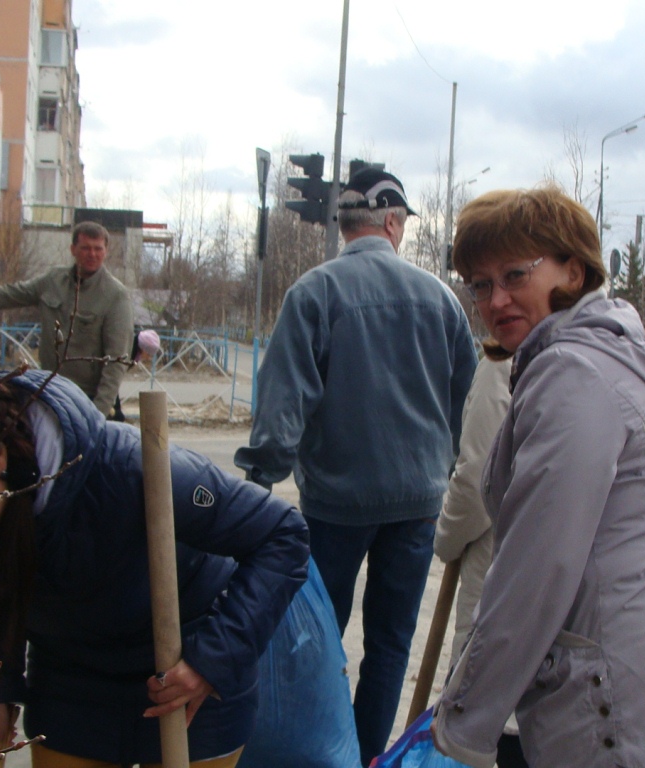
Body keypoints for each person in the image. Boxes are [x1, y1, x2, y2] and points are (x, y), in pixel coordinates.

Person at [431, 186, 645, 768]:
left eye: (514, 274)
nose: (496, 298)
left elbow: (536, 569)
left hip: (626, 698)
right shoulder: (604, 352)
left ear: (573, 271)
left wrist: (462, 722)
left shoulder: (573, 374)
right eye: (481, 284)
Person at [0, 366, 309, 767]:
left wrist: (211, 662)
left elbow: (281, 536)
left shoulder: (129, 472)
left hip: (181, 679)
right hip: (69, 682)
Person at [234, 167, 477, 765]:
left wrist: (260, 481)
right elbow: (464, 398)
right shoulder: (440, 299)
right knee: (391, 645)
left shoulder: (313, 293)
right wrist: (444, 468)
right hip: (416, 504)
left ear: (347, 225)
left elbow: (283, 398)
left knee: (317, 636)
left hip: (335, 506)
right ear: (393, 223)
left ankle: (322, 750)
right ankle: (366, 756)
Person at [0, 221, 135, 419]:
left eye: (98, 249)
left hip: (88, 399)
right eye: (86, 248)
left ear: (106, 251)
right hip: (52, 390)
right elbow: (6, 294)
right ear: (73, 249)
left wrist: (96, 415)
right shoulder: (53, 281)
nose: (92, 254)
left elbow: (117, 360)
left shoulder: (115, 296)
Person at [431, 354, 521, 767]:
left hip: (502, 568)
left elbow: (476, 483)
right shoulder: (615, 350)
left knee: (492, 714)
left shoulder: (504, 362)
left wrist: (446, 539)